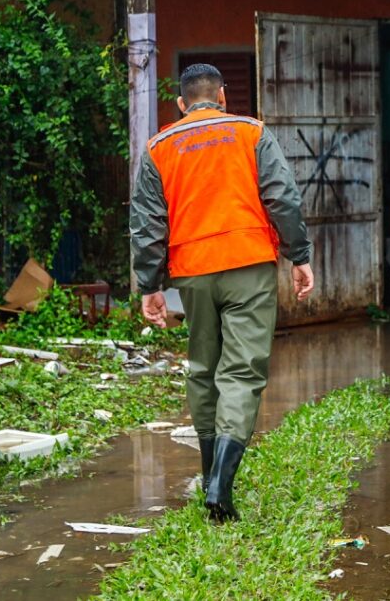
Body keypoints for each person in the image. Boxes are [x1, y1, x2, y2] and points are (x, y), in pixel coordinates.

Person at [129, 63, 314, 523]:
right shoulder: (251, 133)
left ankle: (211, 474)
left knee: (203, 369)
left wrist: (149, 286)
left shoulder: (159, 148)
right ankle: (220, 487)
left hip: (191, 272)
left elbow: (147, 224)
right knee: (242, 372)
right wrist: (299, 254)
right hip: (248, 265)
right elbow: (283, 199)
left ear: (180, 104)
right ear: (224, 97)